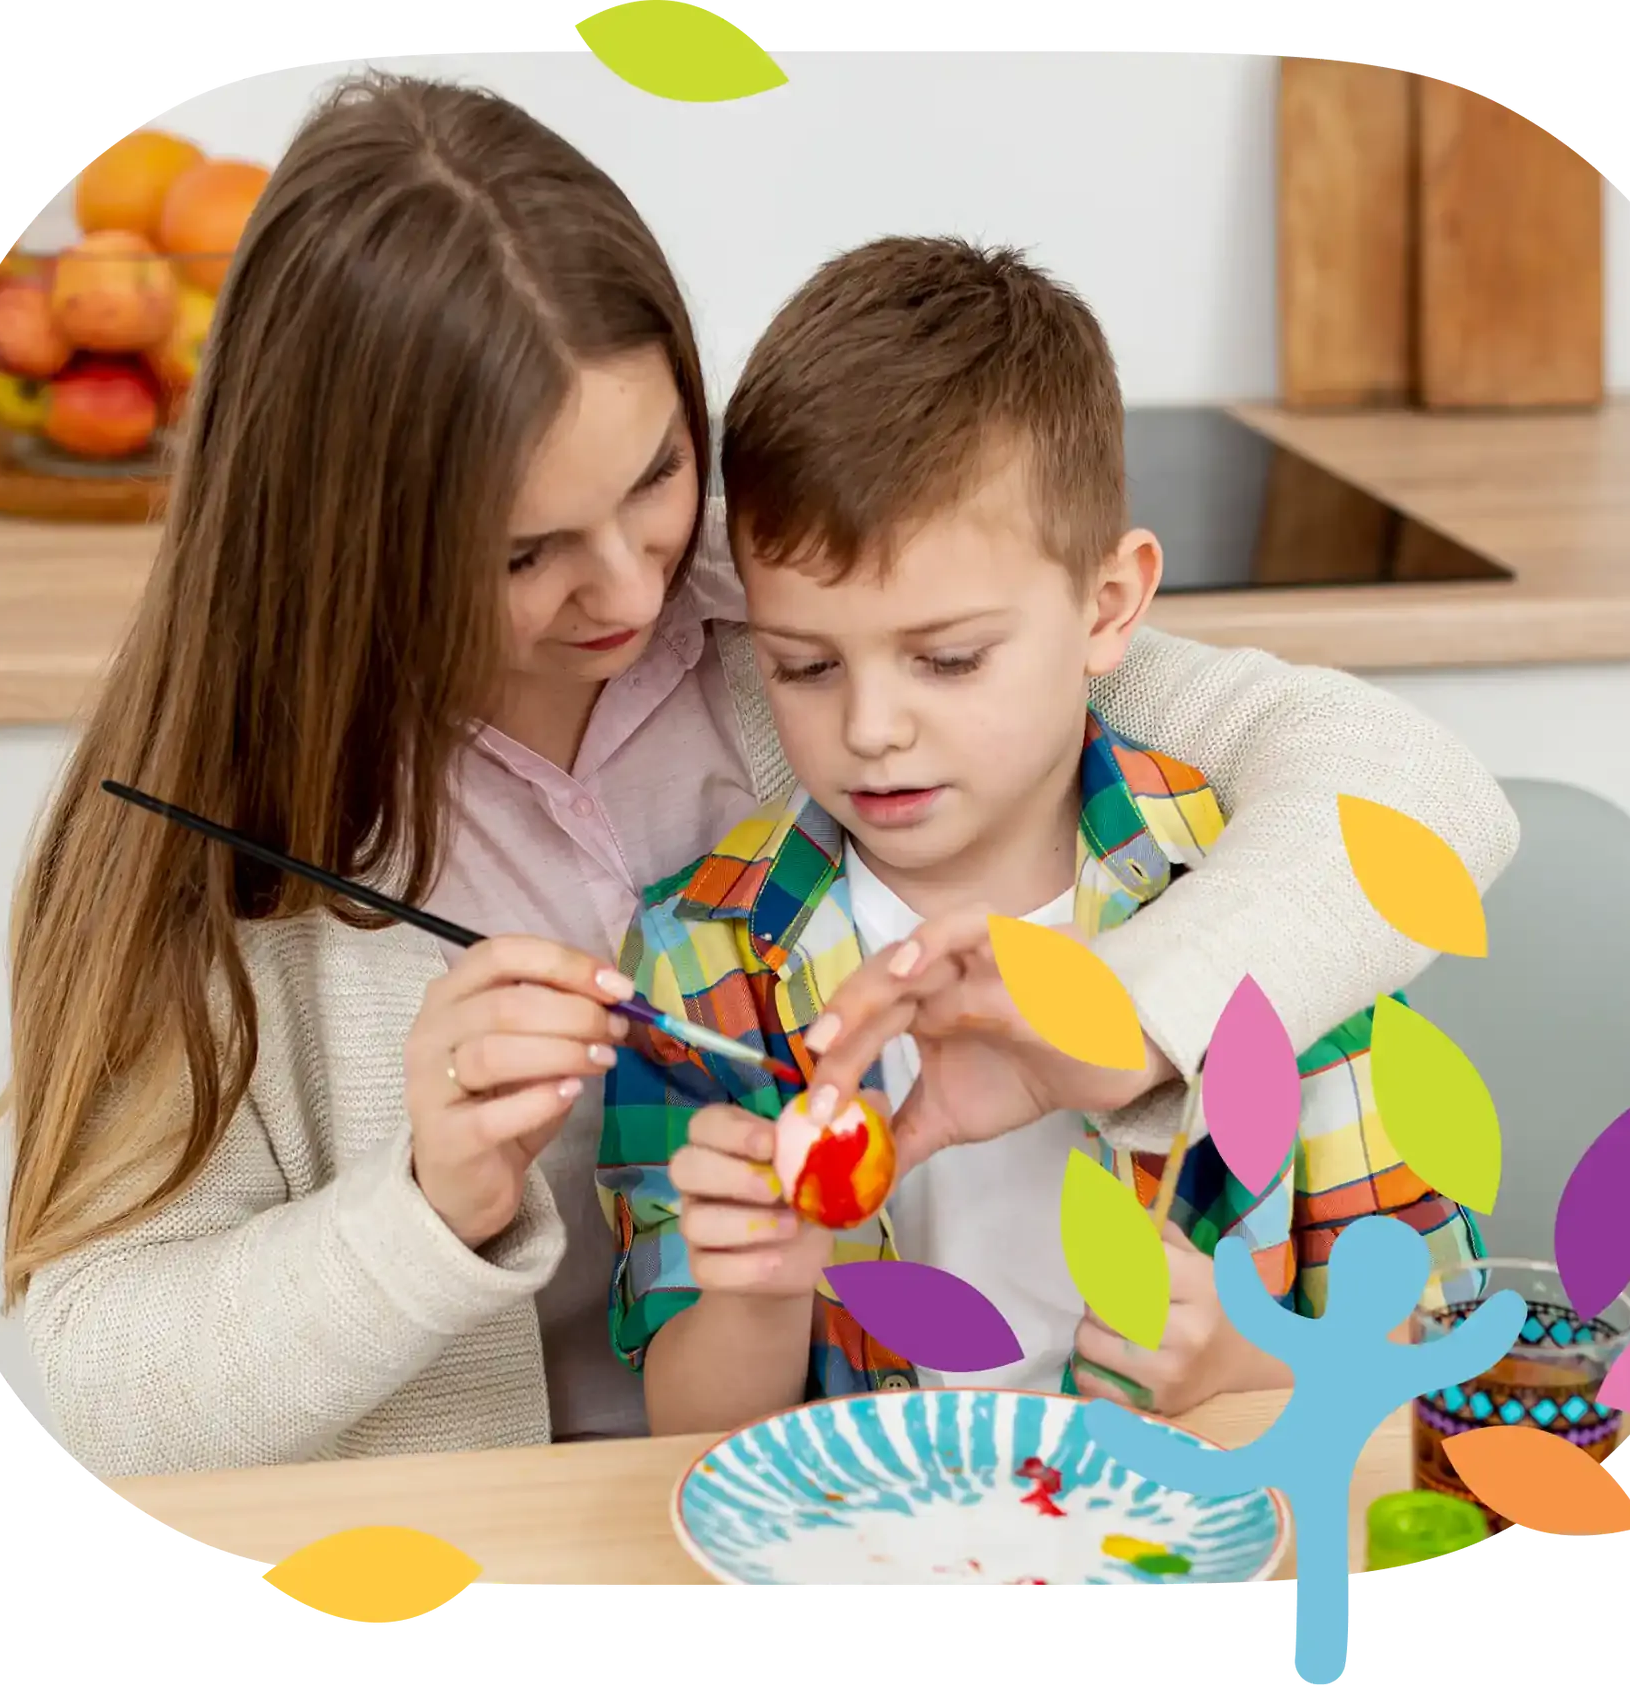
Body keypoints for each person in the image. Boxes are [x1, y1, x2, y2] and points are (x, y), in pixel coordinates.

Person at [0, 72, 1516, 1480]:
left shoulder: (801, 607)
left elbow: (1411, 793)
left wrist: (1123, 1019)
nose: (631, 586)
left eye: (655, 471)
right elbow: (108, 1382)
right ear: (356, 537)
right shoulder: (224, 826)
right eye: (522, 551)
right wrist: (424, 1201)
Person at [599, 237, 1486, 1437]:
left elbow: (1437, 1328)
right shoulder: (696, 958)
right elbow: (689, 1431)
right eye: (803, 666)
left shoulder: (1265, 899)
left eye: (949, 657)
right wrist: (760, 1282)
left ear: (1108, 606)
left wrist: (1236, 1353)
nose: (870, 729)